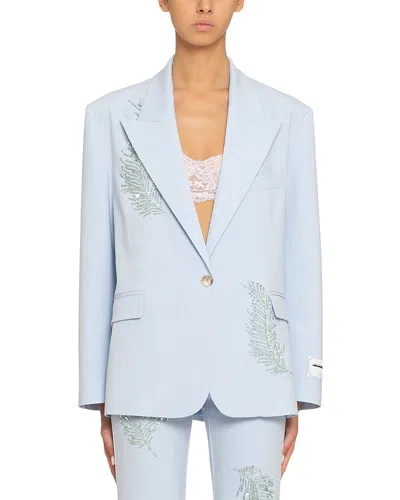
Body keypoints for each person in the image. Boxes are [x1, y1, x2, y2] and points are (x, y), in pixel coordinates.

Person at [78, 1, 323, 498]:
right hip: (142, 365)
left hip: (257, 366)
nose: (205, 4)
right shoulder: (110, 117)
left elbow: (302, 256)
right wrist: (97, 387)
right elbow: (96, 260)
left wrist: (303, 382)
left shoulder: (287, 118)